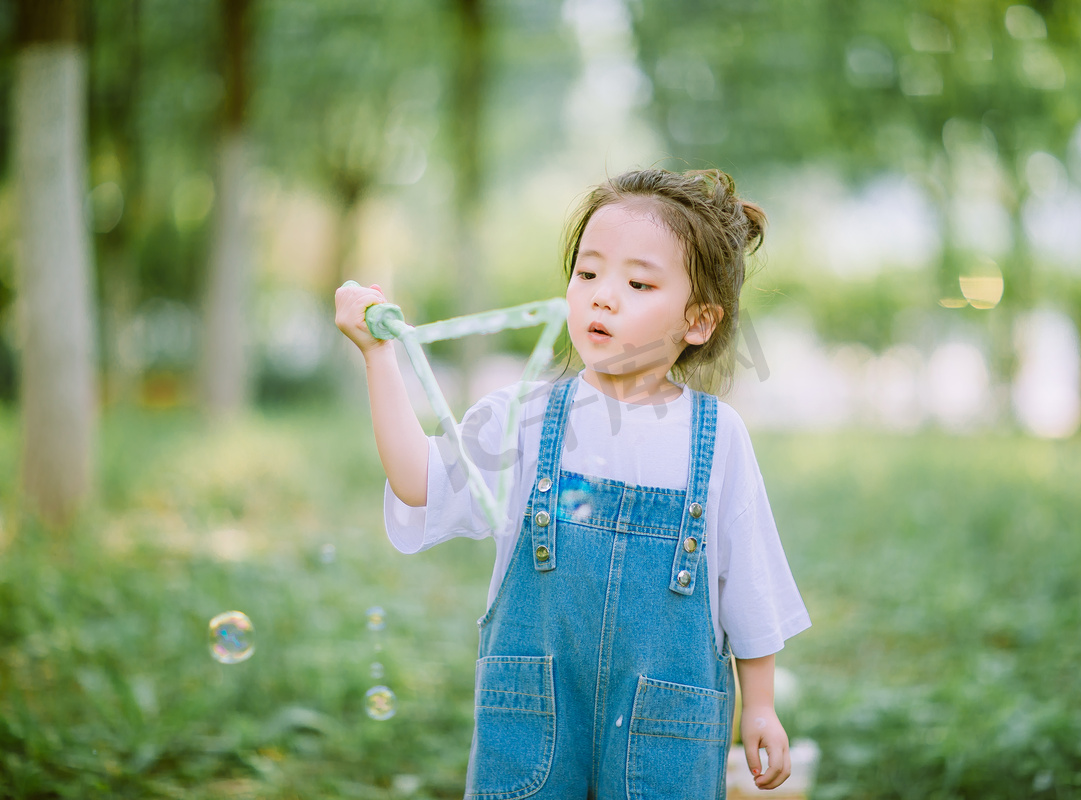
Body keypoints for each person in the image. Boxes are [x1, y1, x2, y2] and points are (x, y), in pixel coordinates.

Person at [335, 168, 810, 797]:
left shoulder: (718, 436)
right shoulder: (526, 418)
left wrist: (759, 706)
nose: (603, 296)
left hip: (665, 728)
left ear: (698, 321)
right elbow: (420, 482)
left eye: (638, 282)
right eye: (587, 273)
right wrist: (377, 357)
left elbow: (748, 585)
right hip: (534, 720)